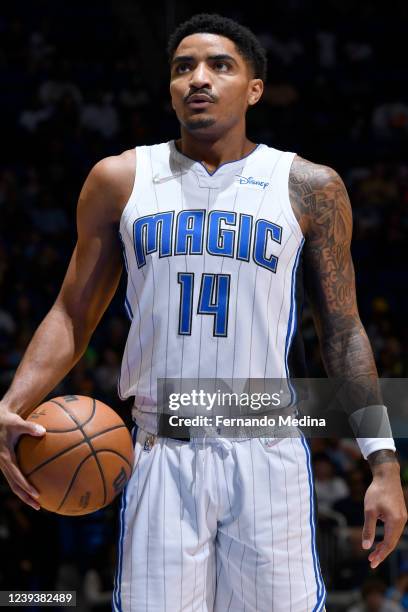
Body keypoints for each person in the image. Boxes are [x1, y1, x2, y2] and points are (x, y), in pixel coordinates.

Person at [0, 13, 406, 612]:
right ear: (168, 88)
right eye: (183, 67)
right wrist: (10, 403)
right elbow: (72, 313)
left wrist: (384, 463)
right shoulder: (118, 179)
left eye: (220, 65)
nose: (199, 78)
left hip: (267, 446)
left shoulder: (309, 185)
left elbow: (343, 330)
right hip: (163, 445)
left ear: (254, 88)